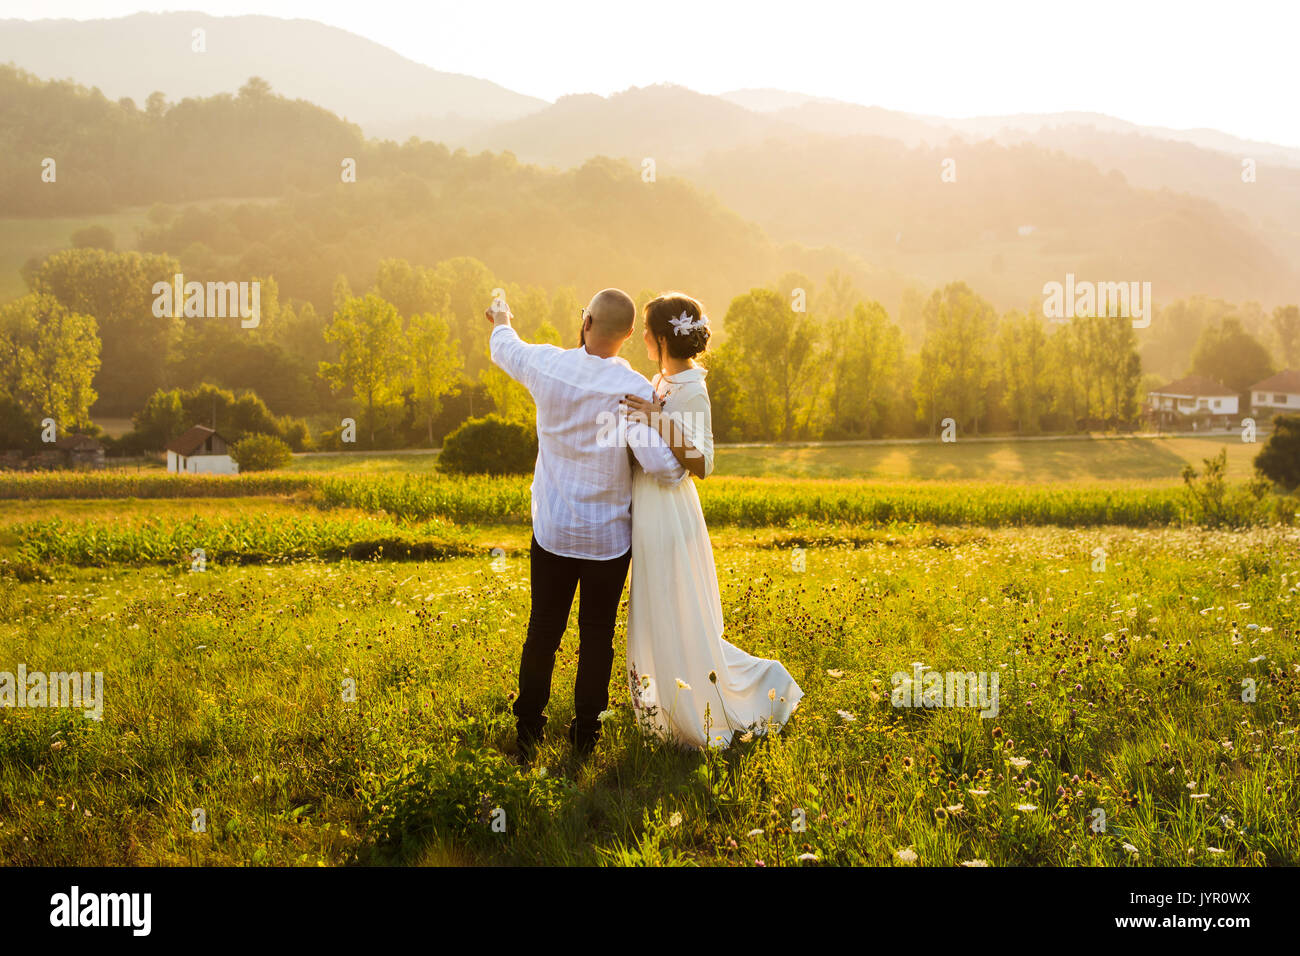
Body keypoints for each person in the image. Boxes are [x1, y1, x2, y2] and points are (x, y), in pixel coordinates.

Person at [486, 288, 685, 760]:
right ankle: (585, 738)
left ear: (586, 321)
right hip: (607, 541)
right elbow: (662, 468)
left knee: (543, 631)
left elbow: (504, 347)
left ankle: (528, 732)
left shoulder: (547, 365)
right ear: (630, 335)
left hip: (553, 532)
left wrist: (502, 316)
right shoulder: (634, 389)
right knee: (597, 636)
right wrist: (678, 457)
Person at [620, 292, 803, 748]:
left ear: (662, 338)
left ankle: (724, 700)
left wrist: (658, 420)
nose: (641, 337)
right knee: (655, 607)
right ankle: (660, 709)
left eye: (646, 330)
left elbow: (702, 463)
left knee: (677, 607)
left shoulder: (691, 389)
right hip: (647, 506)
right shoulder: (661, 382)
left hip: (671, 510)